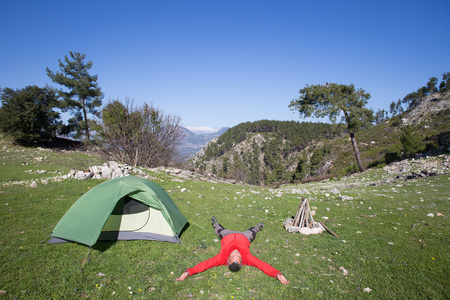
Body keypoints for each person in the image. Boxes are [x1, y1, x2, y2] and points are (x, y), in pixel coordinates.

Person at [177, 217, 289, 285]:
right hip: (244, 237)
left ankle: (215, 223)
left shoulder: (221, 258)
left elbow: (206, 264)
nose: (236, 253)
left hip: (227, 236)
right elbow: (262, 265)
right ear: (242, 260)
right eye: (238, 256)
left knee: (219, 230)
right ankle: (257, 227)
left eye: (233, 255)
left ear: (228, 261)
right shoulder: (248, 258)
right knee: (252, 233)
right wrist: (278, 275)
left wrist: (188, 272)